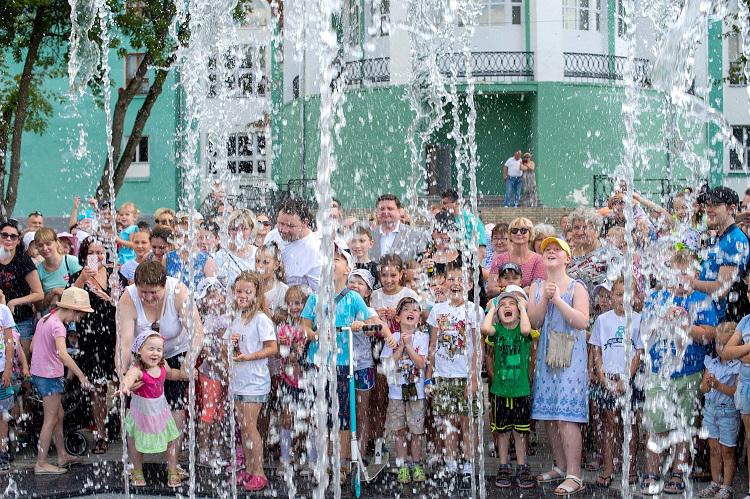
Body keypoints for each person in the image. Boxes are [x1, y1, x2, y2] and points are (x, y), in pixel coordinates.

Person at [639, 248, 716, 495]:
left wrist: (687, 327)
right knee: (657, 424)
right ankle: (652, 472)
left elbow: (710, 335)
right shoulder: (656, 298)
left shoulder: (700, 300)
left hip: (690, 372)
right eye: (675, 272)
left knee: (684, 427)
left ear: (694, 274)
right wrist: (663, 319)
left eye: (685, 273)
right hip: (659, 372)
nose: (680, 278)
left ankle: (678, 472)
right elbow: (644, 332)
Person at [115, 261, 205, 453]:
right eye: (143, 292)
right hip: (140, 355)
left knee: (175, 402)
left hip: (175, 351)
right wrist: (123, 376)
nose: (148, 297)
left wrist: (187, 367)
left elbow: (197, 333)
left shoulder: (179, 292)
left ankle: (174, 458)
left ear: (164, 285)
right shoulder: (128, 297)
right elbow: (124, 343)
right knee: (135, 404)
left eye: (153, 292)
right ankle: (135, 462)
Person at [527, 237, 590, 496]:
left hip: (571, 358)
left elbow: (582, 321)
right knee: (550, 417)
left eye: (557, 250)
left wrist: (559, 301)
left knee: (566, 418)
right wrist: (544, 299)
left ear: (568, 257)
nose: (551, 252)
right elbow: (533, 321)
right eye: (547, 250)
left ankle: (575, 473)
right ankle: (560, 466)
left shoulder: (577, 287)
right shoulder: (536, 286)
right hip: (547, 355)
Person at [425, 262, 484, 491]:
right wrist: (429, 378)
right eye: (451, 279)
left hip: (465, 376)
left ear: (470, 285)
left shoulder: (474, 310)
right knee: (448, 423)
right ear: (445, 283)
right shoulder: (437, 310)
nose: (455, 283)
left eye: (461, 279)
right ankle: (450, 465)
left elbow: (477, 347)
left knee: (468, 423)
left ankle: (468, 467)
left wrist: (473, 377)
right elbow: (432, 345)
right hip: (444, 376)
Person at [31, 287, 94, 475]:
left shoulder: (45, 319)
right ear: (73, 310)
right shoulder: (58, 326)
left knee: (59, 415)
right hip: (50, 377)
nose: (79, 320)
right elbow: (63, 354)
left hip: (40, 374)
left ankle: (62, 455)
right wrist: (81, 376)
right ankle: (41, 463)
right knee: (50, 420)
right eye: (80, 315)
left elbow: (33, 347)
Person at [225, 271, 278, 492]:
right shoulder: (237, 319)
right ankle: (247, 469)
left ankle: (259, 472)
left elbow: (272, 348)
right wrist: (229, 345)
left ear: (256, 294)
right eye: (239, 291)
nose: (243, 295)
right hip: (239, 381)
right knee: (243, 428)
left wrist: (249, 357)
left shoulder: (261, 319)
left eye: (248, 291)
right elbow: (227, 350)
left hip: (255, 381)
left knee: (250, 426)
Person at [588, 278, 643, 488]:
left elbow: (639, 352)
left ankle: (630, 466)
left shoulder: (638, 320)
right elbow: (597, 349)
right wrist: (601, 376)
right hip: (608, 377)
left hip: (630, 378)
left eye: (628, 294)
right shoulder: (603, 320)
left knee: (630, 424)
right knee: (609, 423)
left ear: (636, 297)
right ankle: (609, 466)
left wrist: (626, 378)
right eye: (620, 294)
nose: (624, 299)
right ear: (612, 296)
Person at [119, 331, 188, 488]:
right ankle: (137, 472)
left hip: (160, 411)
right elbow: (128, 378)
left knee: (172, 438)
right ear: (139, 351)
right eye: (150, 349)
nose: (155, 353)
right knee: (135, 440)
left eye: (159, 349)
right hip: (141, 413)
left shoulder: (163, 365)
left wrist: (185, 375)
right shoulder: (137, 368)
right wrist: (124, 387)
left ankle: (172, 471)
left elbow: (172, 375)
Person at [481, 288, 535, 489]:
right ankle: (503, 465)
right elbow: (486, 329)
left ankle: (522, 466)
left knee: (520, 432)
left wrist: (523, 307)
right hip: (500, 392)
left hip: (520, 392)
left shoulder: (524, 333)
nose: (507, 307)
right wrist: (492, 309)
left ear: (520, 312)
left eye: (511, 304)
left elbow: (525, 330)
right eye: (503, 305)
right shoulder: (498, 332)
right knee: (502, 432)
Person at [381, 297, 429, 484]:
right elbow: (387, 366)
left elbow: (421, 363)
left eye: (415, 310)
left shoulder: (423, 337)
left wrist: (409, 346)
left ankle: (416, 464)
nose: (411, 312)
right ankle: (402, 466)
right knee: (399, 430)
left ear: (419, 318)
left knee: (416, 431)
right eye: (406, 309)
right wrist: (400, 345)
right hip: (396, 393)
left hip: (416, 393)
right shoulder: (392, 337)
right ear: (398, 317)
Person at [696, 322, 740, 499]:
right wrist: (706, 384)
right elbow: (702, 389)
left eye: (725, 344)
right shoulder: (711, 363)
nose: (720, 348)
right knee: (713, 448)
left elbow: (735, 393)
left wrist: (719, 385)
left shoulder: (738, 366)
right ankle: (715, 482)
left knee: (727, 450)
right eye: (718, 344)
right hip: (710, 410)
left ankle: (727, 486)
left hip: (728, 412)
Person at [692, 187, 749, 322]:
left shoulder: (735, 240)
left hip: (723, 324)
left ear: (731, 209)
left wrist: (690, 283)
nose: (709, 209)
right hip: (708, 316)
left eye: (715, 205)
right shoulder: (720, 237)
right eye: (708, 205)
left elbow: (721, 289)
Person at [195, 278, 230, 467]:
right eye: (210, 295)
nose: (215, 298)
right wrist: (221, 370)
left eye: (218, 293)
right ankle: (203, 450)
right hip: (211, 372)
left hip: (225, 372)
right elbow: (207, 352)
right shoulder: (207, 321)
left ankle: (216, 448)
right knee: (208, 412)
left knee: (220, 413)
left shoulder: (230, 316)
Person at [277, 285, 312, 468]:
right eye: (290, 304)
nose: (294, 307)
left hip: (307, 381)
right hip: (288, 381)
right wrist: (281, 345)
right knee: (287, 418)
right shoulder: (284, 329)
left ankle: (310, 459)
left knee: (308, 420)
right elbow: (283, 356)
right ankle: (285, 457)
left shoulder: (311, 327)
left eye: (298, 303)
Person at [0, 219, 44, 358]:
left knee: (21, 362)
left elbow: (39, 294)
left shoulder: (23, 261)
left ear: (18, 240)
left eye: (13, 236)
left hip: (20, 319)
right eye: (4, 235)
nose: (8, 239)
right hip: (0, 319)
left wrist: (13, 302)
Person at [264, 198, 323, 290]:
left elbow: (318, 290)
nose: (284, 230)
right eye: (281, 223)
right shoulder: (272, 236)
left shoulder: (315, 249)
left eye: (290, 226)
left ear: (305, 223)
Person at [488, 218, 546, 295]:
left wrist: (502, 289)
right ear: (510, 235)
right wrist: (517, 290)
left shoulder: (538, 260)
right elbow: (491, 290)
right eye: (514, 231)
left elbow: (538, 290)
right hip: (503, 304)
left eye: (523, 230)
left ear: (530, 234)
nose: (518, 233)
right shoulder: (500, 259)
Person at [34, 228, 83, 313]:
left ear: (57, 242)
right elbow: (39, 307)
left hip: (72, 318)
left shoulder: (71, 262)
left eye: (48, 244)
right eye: (40, 245)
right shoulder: (37, 270)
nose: (45, 248)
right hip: (49, 319)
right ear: (36, 247)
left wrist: (60, 295)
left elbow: (83, 293)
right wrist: (53, 292)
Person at [371, 194, 429, 262]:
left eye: (390, 209)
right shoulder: (369, 235)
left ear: (398, 211)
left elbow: (422, 263)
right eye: (382, 209)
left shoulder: (416, 235)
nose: (385, 212)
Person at [215, 209, 256, 286]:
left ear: (251, 230)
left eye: (244, 229)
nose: (239, 233)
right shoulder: (220, 256)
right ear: (228, 231)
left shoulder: (257, 253)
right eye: (234, 229)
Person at [0, 293, 15, 472]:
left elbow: (10, 341)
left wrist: (9, 368)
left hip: (2, 369)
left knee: (3, 414)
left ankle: (2, 452)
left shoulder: (3, 311)